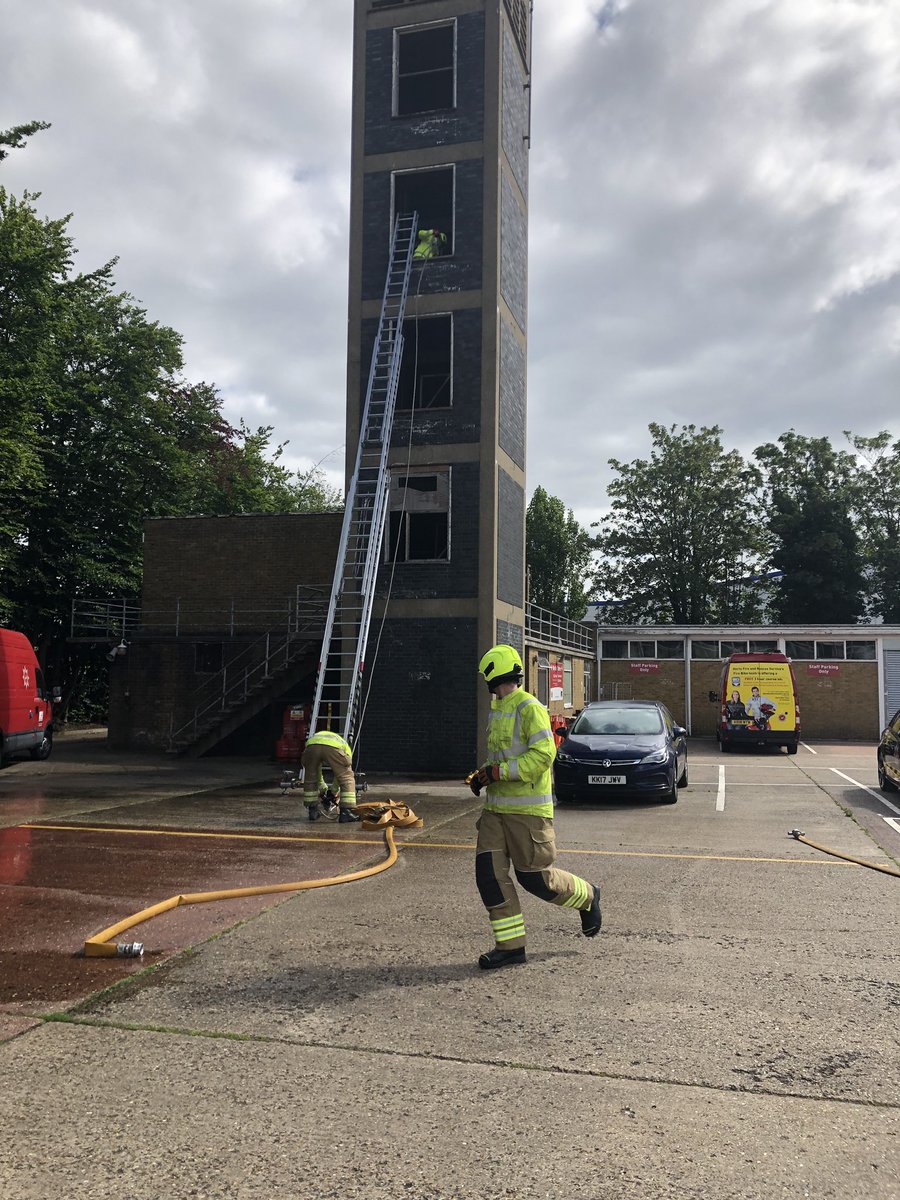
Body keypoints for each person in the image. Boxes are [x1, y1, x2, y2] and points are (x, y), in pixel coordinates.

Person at [468, 644, 602, 970]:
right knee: (488, 875)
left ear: (493, 674)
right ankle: (511, 947)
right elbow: (501, 756)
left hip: (527, 814)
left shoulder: (529, 707)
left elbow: (544, 755)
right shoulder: (498, 708)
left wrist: (500, 772)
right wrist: (484, 774)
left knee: (535, 881)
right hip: (495, 811)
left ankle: (588, 896)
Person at [301, 729, 360, 823]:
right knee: (346, 777)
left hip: (311, 746)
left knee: (310, 777)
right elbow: (340, 774)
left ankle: (312, 812)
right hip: (333, 748)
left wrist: (322, 787)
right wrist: (334, 791)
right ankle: (346, 813)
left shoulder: (319, 737)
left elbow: (317, 771)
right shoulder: (345, 747)